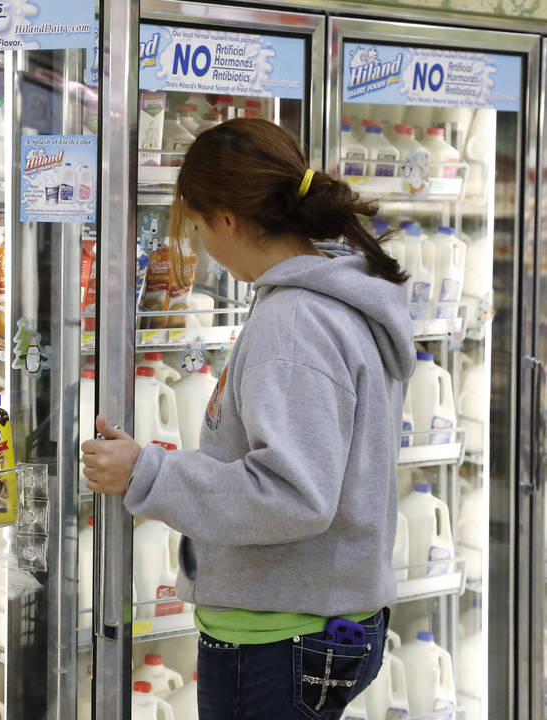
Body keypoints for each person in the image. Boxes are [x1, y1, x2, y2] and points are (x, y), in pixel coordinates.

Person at [82, 118, 415, 720]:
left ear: (229, 219)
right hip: (314, 616)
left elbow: (293, 493)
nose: (206, 245)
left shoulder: (296, 321)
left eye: (202, 226)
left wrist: (145, 473)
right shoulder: (339, 294)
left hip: (276, 636)